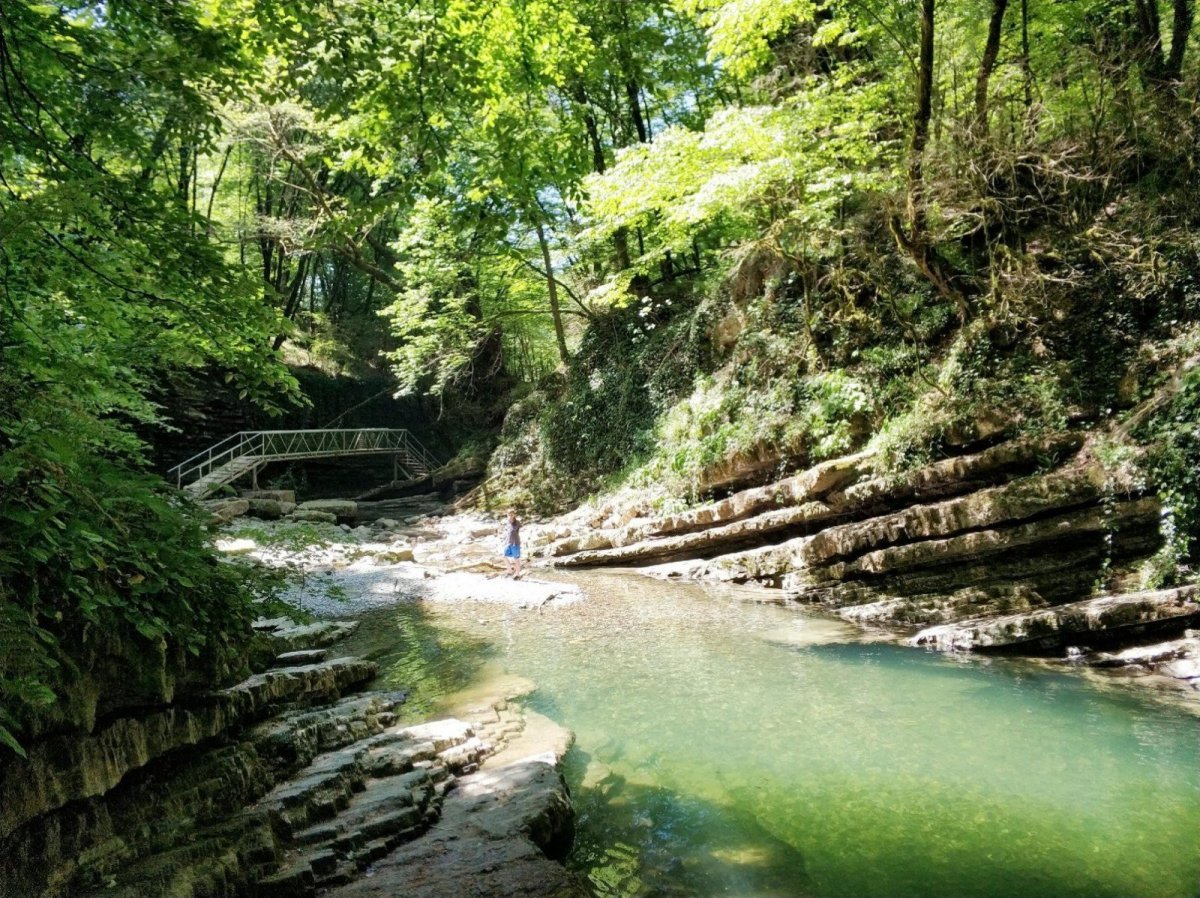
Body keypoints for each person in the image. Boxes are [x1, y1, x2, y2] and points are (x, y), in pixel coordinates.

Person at [502, 509, 522, 578]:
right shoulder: (507, 523)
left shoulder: (517, 523)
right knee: (504, 556)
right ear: (507, 515)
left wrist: (511, 522)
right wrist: (505, 541)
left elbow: (514, 530)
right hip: (508, 543)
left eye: (512, 514)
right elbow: (507, 533)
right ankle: (510, 570)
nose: (510, 516)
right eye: (509, 515)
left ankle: (518, 573)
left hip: (515, 543)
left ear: (514, 515)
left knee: (516, 558)